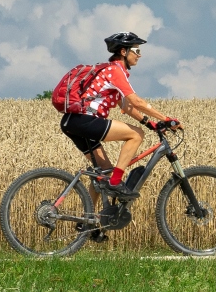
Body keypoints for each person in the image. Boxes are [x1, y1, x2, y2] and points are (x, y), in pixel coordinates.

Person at [59, 31, 181, 191]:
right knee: (136, 134)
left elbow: (125, 106)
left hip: (73, 121)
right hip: (85, 119)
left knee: (103, 173)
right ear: (124, 52)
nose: (140, 55)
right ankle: (116, 182)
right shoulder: (115, 71)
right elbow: (136, 102)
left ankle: (93, 214)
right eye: (137, 50)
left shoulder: (110, 71)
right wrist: (166, 119)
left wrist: (148, 122)